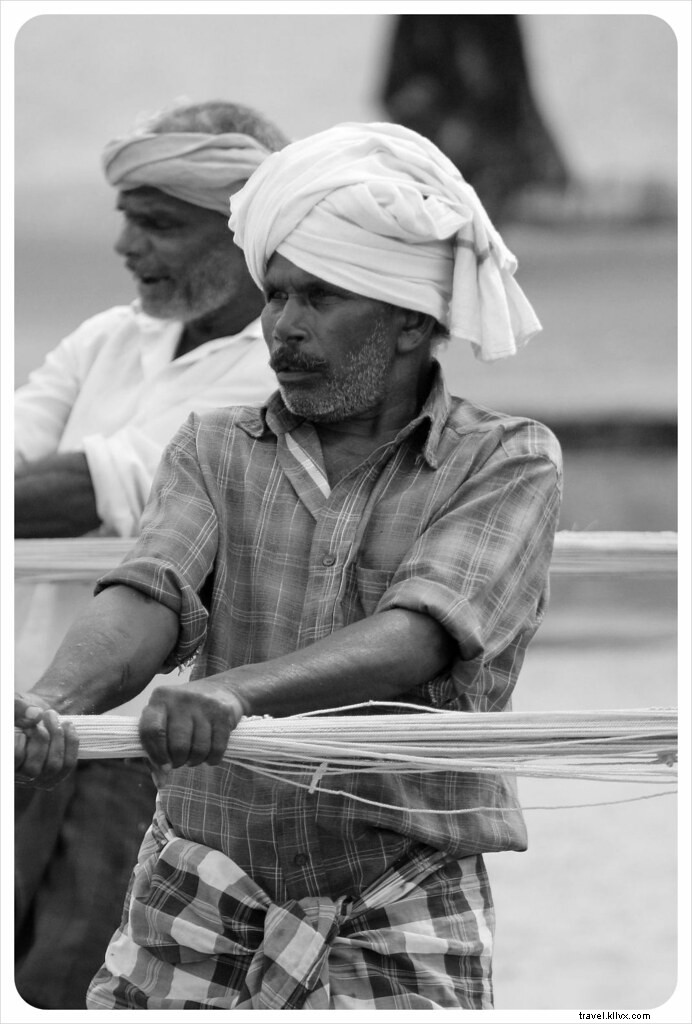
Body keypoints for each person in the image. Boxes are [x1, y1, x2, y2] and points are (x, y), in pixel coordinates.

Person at [15, 122, 563, 1010]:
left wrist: (235, 692)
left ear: (410, 323)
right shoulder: (214, 445)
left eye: (319, 298)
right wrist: (56, 702)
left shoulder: (507, 461)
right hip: (200, 873)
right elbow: (150, 589)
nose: (283, 328)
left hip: (402, 882)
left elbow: (419, 634)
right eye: (276, 295)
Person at [14, 99, 289, 1009]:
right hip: (35, 712)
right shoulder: (108, 338)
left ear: (245, 231)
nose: (129, 245)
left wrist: (57, 491)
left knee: (80, 979)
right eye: (127, 218)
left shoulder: (281, 367)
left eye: (160, 224)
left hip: (157, 737)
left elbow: (113, 485)